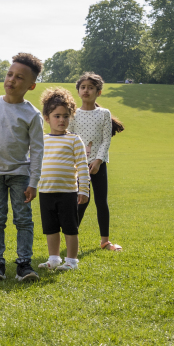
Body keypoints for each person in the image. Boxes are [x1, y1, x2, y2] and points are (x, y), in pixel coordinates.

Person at [0, 53, 45, 282]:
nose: (11, 80)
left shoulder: (32, 114)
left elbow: (37, 151)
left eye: (19, 78)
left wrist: (33, 183)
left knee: (23, 219)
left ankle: (24, 264)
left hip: (20, 176)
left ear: (31, 85)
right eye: (9, 74)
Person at [35, 88, 90, 272]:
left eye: (66, 116)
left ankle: (72, 261)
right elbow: (33, 165)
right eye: (57, 116)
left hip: (68, 192)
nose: (61, 120)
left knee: (70, 228)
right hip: (46, 192)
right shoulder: (40, 140)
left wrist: (84, 190)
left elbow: (82, 166)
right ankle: (54, 258)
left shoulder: (74, 140)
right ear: (47, 117)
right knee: (50, 228)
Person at [70, 72, 123, 251]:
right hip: (78, 165)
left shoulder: (104, 114)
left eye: (90, 88)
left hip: (99, 164)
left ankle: (105, 241)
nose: (86, 91)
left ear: (98, 92)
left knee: (101, 201)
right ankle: (71, 237)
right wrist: (79, 163)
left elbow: (106, 139)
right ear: (78, 91)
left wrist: (98, 161)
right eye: (83, 87)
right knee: (81, 200)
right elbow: (69, 138)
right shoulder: (73, 114)